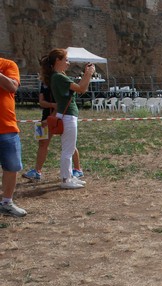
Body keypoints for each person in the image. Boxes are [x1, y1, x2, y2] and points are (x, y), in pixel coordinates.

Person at [39, 48, 94, 189]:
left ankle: (68, 176)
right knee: (68, 150)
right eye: (66, 60)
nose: (68, 63)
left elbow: (80, 88)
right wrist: (88, 74)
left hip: (67, 115)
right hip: (68, 116)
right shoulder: (59, 77)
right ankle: (65, 179)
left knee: (68, 149)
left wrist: (87, 76)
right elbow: (81, 89)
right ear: (58, 61)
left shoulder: (57, 77)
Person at [22, 78, 84, 181]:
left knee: (69, 144)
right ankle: (37, 171)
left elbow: (61, 103)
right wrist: (51, 106)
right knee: (42, 143)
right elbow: (41, 102)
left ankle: (77, 169)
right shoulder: (44, 83)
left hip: (59, 116)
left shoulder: (57, 80)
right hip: (46, 117)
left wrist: (51, 117)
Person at [0, 57, 27, 217]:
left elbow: (12, 86)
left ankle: (6, 202)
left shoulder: (8, 65)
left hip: (7, 127)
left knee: (11, 167)